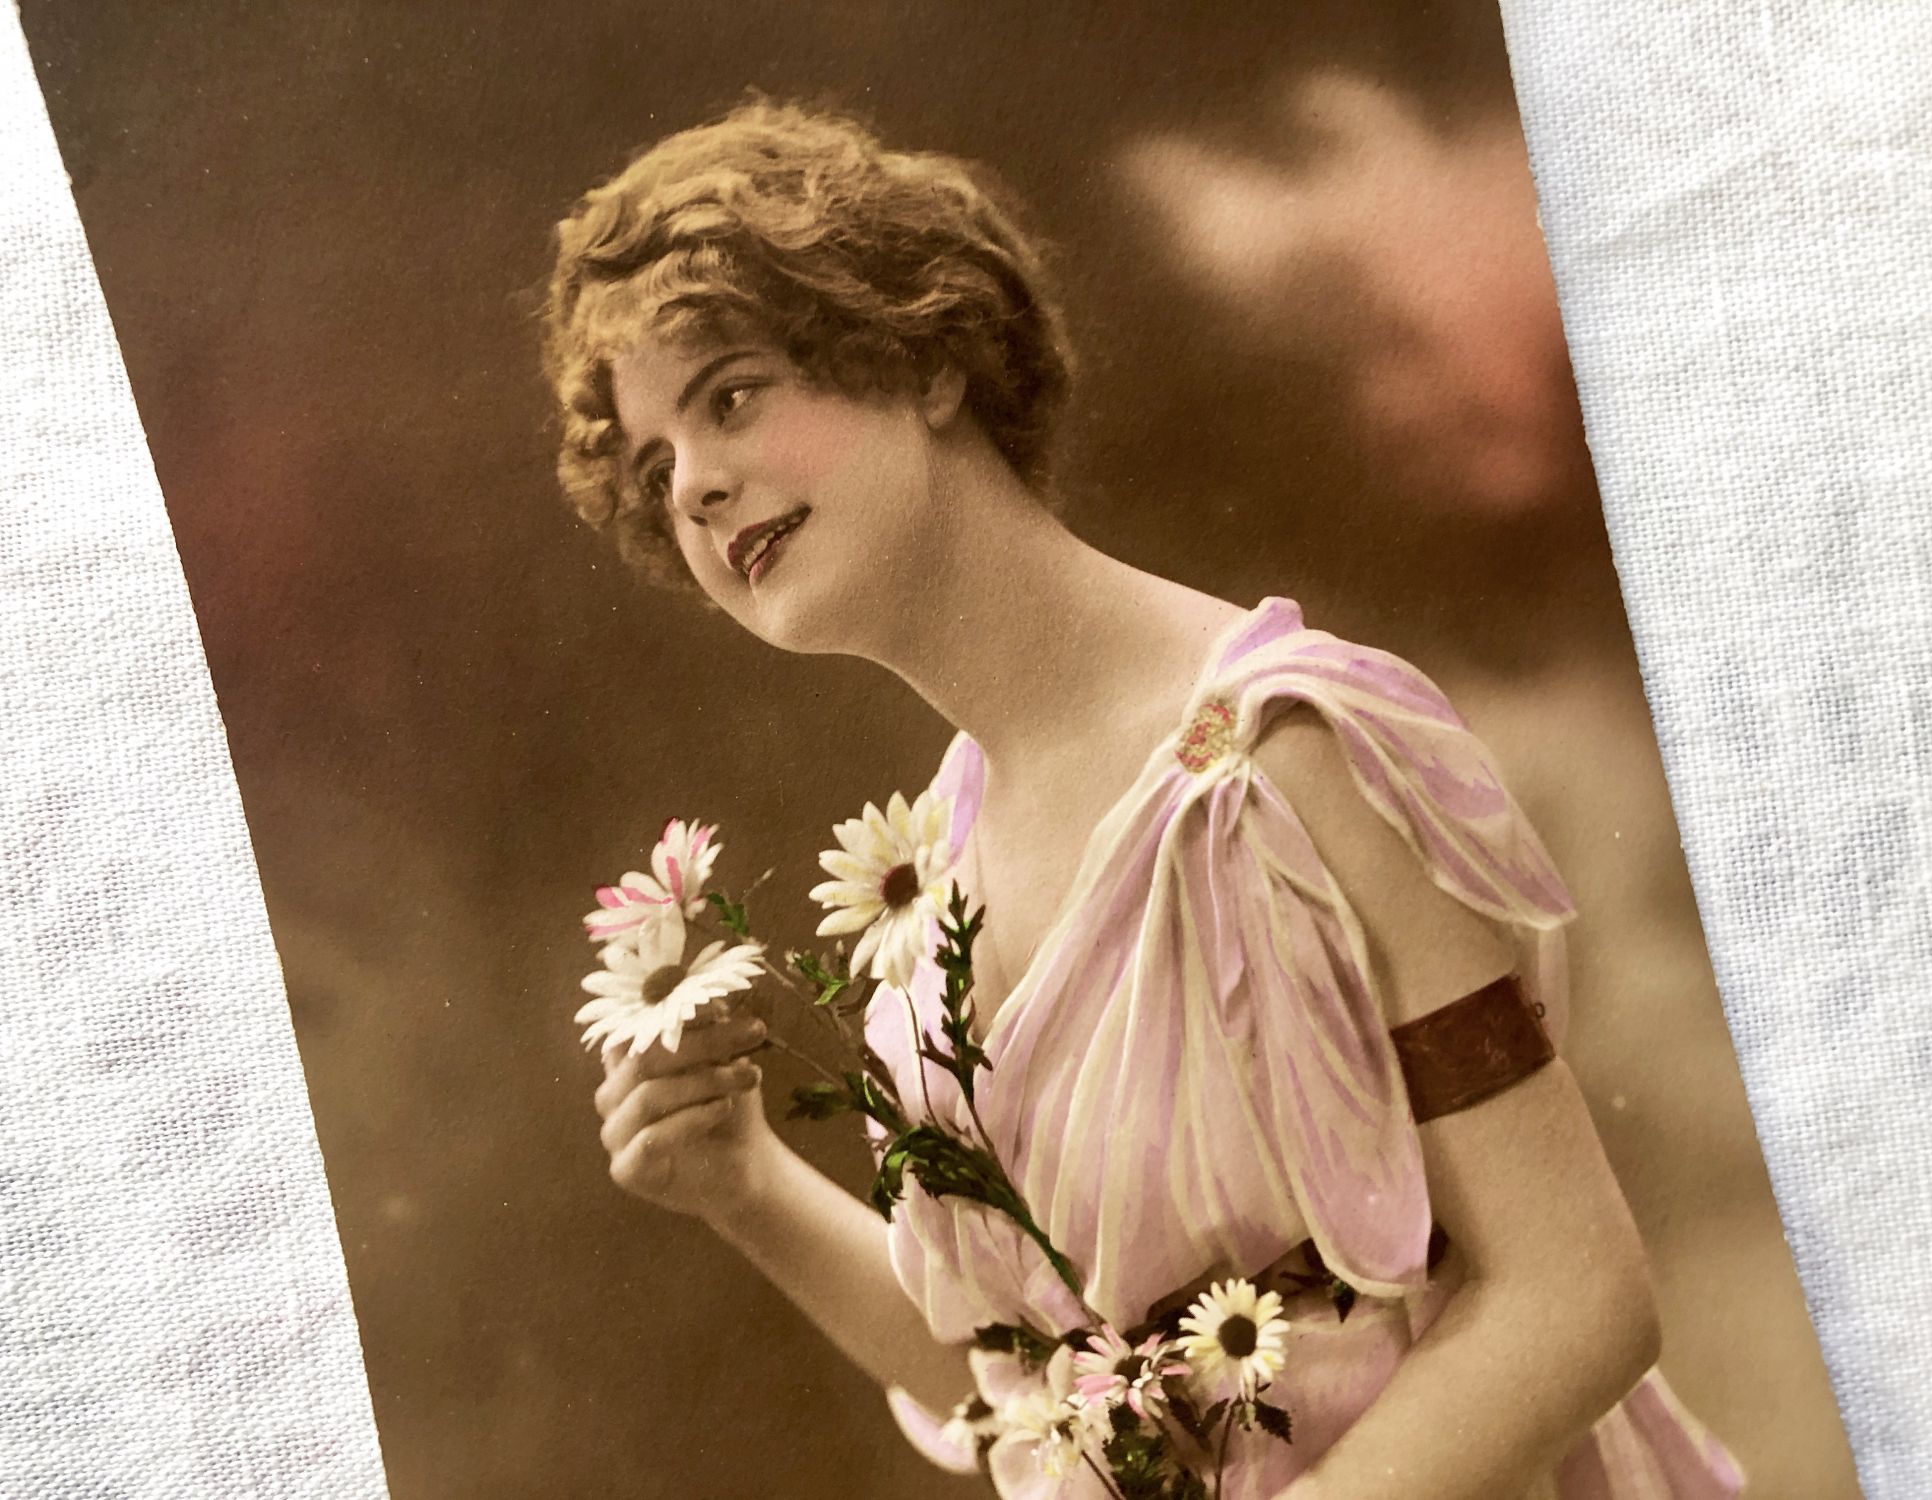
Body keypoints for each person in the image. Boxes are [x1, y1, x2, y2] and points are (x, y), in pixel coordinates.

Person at [544, 100, 1743, 1499]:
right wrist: (743, 1189)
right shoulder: (928, 892)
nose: (691, 482)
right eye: (651, 467)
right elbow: (1053, 1395)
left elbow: (1576, 1298)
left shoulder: (1292, 750)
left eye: (730, 396)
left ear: (919, 359)